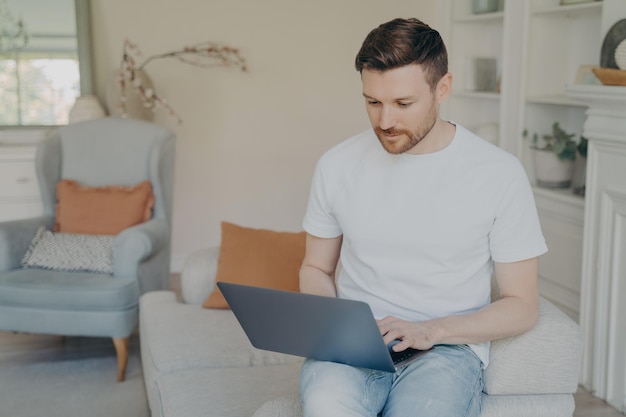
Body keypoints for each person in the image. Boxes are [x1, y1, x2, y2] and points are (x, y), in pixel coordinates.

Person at [298, 17, 548, 417]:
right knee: (327, 406)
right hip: (355, 347)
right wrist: (333, 329)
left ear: (442, 88)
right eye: (373, 102)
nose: (385, 122)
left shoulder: (498, 173)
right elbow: (314, 266)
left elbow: (523, 305)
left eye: (403, 104)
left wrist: (431, 331)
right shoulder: (336, 165)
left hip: (446, 352)